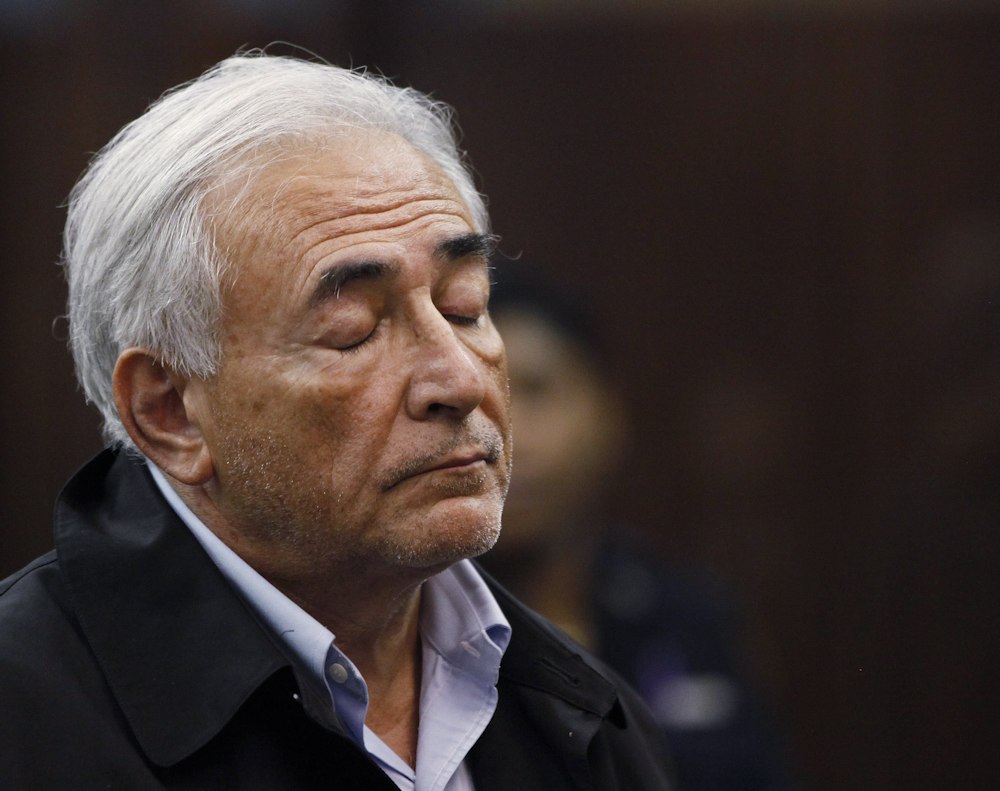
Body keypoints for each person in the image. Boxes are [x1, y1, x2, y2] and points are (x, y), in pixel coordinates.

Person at [0, 53, 672, 790]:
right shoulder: (31, 721)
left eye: (464, 306)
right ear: (170, 412)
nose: (458, 379)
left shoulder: (579, 714)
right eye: (354, 331)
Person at [482, 264, 794, 790]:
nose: (513, 437)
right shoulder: (414, 636)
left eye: (536, 391)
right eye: (485, 399)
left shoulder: (689, 616)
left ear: (608, 413)